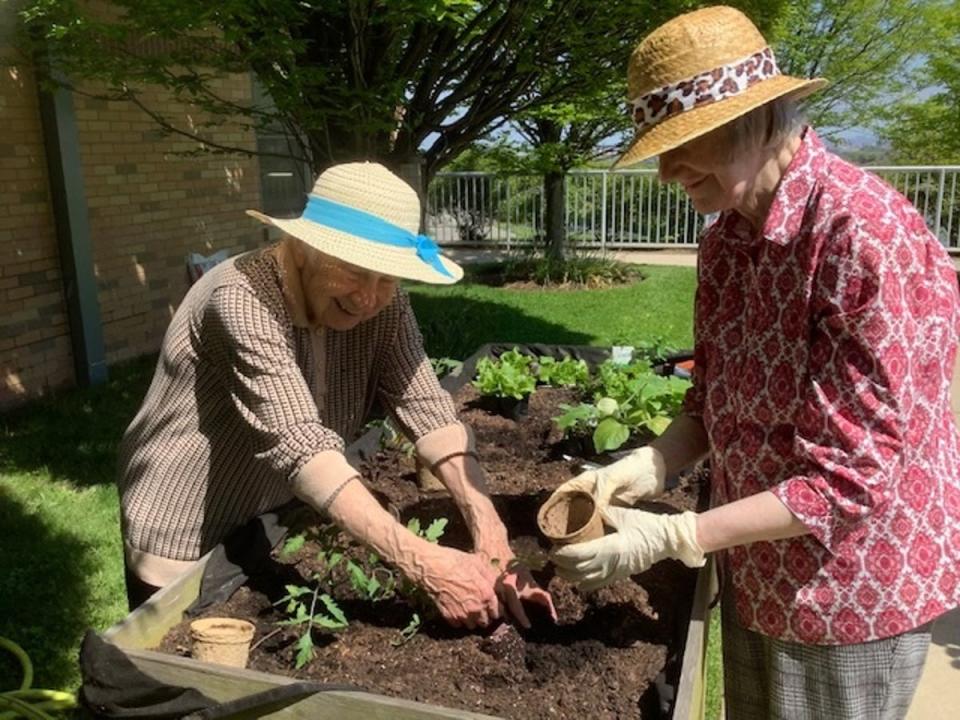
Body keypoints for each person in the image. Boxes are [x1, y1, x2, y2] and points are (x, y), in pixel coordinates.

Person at [549, 6, 960, 719]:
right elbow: (710, 402)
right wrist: (647, 466)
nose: (667, 171)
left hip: (851, 590)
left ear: (762, 120)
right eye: (659, 147)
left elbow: (847, 480)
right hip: (756, 563)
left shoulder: (860, 237)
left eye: (687, 142)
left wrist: (676, 535)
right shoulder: (728, 240)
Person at [117, 161, 555, 631]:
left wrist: (490, 528)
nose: (369, 297)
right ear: (304, 248)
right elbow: (300, 442)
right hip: (187, 528)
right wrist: (425, 563)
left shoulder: (388, 307)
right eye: (353, 270)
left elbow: (428, 410)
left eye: (387, 277)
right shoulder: (241, 296)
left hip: (272, 511)